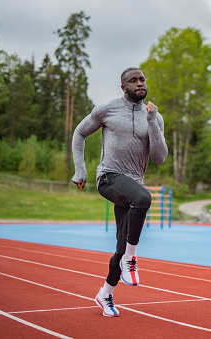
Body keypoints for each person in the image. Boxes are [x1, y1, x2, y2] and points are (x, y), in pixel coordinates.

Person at [71, 67, 168, 317]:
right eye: (133, 81)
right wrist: (80, 170)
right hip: (109, 177)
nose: (139, 83)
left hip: (132, 185)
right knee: (144, 198)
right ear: (123, 87)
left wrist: (152, 122)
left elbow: (159, 157)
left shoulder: (154, 117)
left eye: (142, 79)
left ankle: (105, 294)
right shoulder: (107, 109)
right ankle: (131, 260)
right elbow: (80, 133)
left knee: (120, 247)